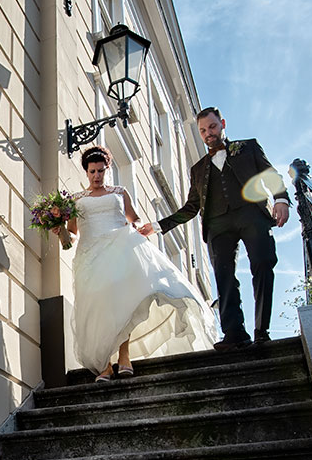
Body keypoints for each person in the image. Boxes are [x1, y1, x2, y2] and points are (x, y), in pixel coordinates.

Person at [57, 145, 217, 381]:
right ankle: (104, 364)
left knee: (123, 302)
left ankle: (124, 356)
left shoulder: (120, 193)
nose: (97, 176)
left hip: (118, 248)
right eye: (92, 172)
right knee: (97, 307)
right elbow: (72, 235)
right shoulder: (76, 200)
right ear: (86, 172)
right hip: (90, 256)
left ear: (107, 169)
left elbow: (134, 218)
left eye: (100, 171)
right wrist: (58, 229)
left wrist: (137, 227)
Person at [142, 107, 290, 350]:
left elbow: (269, 174)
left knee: (263, 264)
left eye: (212, 127)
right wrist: (159, 226)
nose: (208, 133)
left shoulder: (248, 147)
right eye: (202, 130)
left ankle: (262, 331)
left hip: (251, 214)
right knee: (223, 276)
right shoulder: (198, 169)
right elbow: (191, 206)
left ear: (222, 124)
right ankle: (234, 333)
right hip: (217, 224)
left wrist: (281, 200)